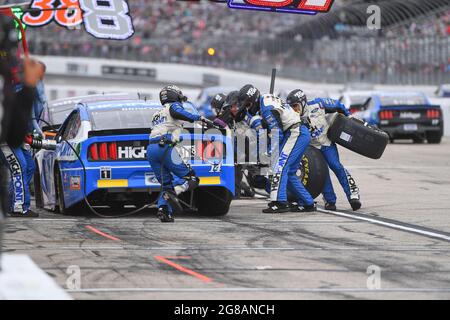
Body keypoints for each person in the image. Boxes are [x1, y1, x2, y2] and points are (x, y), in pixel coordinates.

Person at [237, 84, 316, 214]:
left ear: (253, 100)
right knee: (289, 172)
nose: (247, 108)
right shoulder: (266, 100)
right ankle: (308, 203)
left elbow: (277, 133)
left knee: (279, 166)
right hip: (297, 132)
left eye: (248, 105)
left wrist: (268, 153)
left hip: (295, 132)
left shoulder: (266, 108)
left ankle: (279, 202)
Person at [286, 89, 361, 211]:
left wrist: (348, 117)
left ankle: (353, 194)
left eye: (295, 106)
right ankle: (330, 200)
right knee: (322, 172)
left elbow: (338, 105)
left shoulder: (318, 104)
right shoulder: (290, 117)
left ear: (303, 102)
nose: (295, 109)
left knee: (336, 165)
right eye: (292, 107)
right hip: (311, 148)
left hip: (326, 142)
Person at [147, 85, 214, 222]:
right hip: (164, 147)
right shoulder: (173, 106)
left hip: (151, 150)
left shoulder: (156, 114)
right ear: (174, 96)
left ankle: (164, 211)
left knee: (166, 184)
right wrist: (199, 118)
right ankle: (174, 193)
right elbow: (180, 113)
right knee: (192, 178)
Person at [0, 14, 44, 218]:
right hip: (5, 135)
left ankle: (17, 203)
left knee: (28, 165)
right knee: (20, 166)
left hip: (16, 132)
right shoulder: (10, 79)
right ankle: (18, 206)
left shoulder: (20, 78)